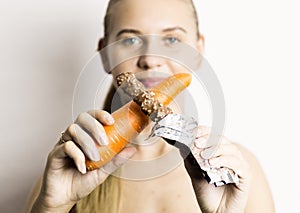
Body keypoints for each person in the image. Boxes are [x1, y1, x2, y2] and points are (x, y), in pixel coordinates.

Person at [26, 0, 275, 212]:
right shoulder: (68, 170)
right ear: (104, 55)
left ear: (197, 51)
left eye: (171, 39)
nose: (150, 59)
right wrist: (52, 207)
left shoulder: (238, 173)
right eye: (131, 40)